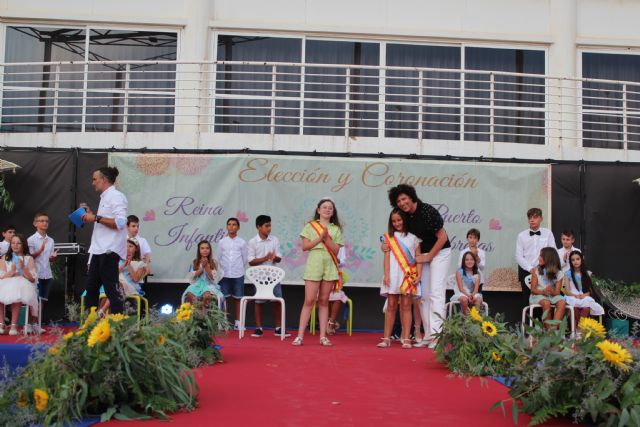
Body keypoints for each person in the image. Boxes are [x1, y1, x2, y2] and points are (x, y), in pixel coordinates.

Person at [386, 184, 451, 348]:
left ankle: (438, 337)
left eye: (403, 198)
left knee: (436, 293)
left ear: (411, 196)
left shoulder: (426, 210)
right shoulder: (406, 216)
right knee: (422, 296)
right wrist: (385, 246)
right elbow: (397, 235)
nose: (401, 203)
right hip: (423, 256)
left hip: (440, 253)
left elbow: (443, 237)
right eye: (398, 201)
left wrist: (429, 256)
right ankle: (429, 335)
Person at [293, 197, 344, 346]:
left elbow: (336, 250)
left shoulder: (335, 229)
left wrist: (327, 239)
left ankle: (323, 336)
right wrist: (320, 238)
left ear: (333, 211)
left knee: (323, 301)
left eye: (330, 208)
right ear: (318, 210)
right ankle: (300, 336)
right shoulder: (310, 226)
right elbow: (305, 246)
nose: (327, 210)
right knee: (309, 300)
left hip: (329, 264)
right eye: (325, 207)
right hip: (314, 263)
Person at [81, 166, 128, 314]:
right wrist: (91, 215)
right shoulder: (105, 197)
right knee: (91, 290)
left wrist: (95, 217)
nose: (93, 183)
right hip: (98, 250)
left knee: (111, 291)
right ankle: (90, 324)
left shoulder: (116, 196)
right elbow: (104, 223)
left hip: (109, 251)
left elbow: (120, 223)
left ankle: (118, 325)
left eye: (95, 179)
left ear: (104, 180)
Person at [378, 208, 422, 349]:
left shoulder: (413, 238)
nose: (397, 223)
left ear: (405, 219)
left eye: (399, 220)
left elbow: (418, 258)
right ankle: (386, 338)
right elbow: (386, 257)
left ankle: (406, 338)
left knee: (406, 306)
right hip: (393, 275)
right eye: (394, 221)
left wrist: (419, 275)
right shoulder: (388, 237)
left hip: (407, 276)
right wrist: (386, 274)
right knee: (391, 305)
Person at [247, 215, 288, 337]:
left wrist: (274, 257)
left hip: (274, 276)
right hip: (259, 277)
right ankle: (259, 328)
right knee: (259, 302)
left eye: (270, 225)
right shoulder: (252, 242)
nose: (269, 228)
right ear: (258, 227)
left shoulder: (274, 240)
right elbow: (250, 261)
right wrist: (265, 258)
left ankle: (278, 328)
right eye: (266, 226)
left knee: (277, 301)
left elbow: (279, 258)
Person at [96, 238, 147, 316]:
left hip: (130, 287)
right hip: (116, 284)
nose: (128, 249)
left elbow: (136, 279)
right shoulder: (117, 260)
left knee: (116, 286)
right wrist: (123, 265)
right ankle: (101, 315)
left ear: (136, 249)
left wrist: (129, 265)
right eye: (125, 246)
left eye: (130, 246)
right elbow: (113, 274)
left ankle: (102, 311)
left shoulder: (140, 263)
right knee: (111, 285)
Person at [0, 234, 39, 335]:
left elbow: (32, 279)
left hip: (22, 285)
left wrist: (23, 269)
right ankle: (1, 324)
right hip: (6, 283)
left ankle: (14, 325)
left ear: (23, 245)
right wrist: (12, 272)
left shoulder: (28, 258)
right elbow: (2, 276)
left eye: (18, 243)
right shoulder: (5, 257)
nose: (15, 245)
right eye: (13, 243)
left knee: (17, 292)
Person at [515, 208, 555, 304]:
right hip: (526, 271)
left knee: (545, 298)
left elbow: (553, 252)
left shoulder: (548, 233)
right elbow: (518, 256)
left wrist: (543, 267)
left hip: (544, 271)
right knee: (527, 299)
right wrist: (530, 268)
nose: (532, 220)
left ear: (541, 218)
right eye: (530, 217)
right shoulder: (521, 235)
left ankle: (543, 319)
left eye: (535, 217)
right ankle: (527, 319)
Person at [27, 212, 57, 333]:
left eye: (46, 221)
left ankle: (36, 324)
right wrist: (41, 249)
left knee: (42, 300)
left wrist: (53, 258)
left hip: (47, 273)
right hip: (35, 274)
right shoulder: (31, 239)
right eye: (42, 221)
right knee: (33, 300)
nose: (45, 223)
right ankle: (28, 324)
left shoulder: (51, 240)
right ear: (35, 223)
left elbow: (50, 258)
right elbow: (29, 257)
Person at [217, 218, 248, 330]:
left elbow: (245, 259)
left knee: (238, 298)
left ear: (238, 227)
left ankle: (238, 323)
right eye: (229, 224)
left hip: (238, 274)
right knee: (223, 298)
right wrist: (221, 271)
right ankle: (224, 321)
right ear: (227, 227)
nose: (231, 227)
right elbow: (218, 258)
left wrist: (237, 268)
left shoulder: (242, 242)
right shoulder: (222, 242)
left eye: (234, 224)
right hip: (224, 274)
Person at [564, 250, 604, 328]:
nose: (575, 261)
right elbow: (567, 291)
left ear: (582, 259)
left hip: (584, 297)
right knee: (574, 308)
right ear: (570, 262)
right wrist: (575, 296)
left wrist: (584, 295)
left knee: (586, 308)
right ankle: (574, 331)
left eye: (578, 259)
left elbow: (590, 291)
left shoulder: (588, 273)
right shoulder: (567, 274)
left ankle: (580, 331)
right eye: (573, 260)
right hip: (572, 297)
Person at [529, 247, 566, 330]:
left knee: (562, 302)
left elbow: (557, 292)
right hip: (538, 295)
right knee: (546, 303)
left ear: (548, 258)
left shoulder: (559, 273)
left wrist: (552, 291)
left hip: (552, 295)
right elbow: (533, 290)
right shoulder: (536, 271)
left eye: (541, 256)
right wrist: (543, 292)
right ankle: (548, 332)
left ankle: (554, 330)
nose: (538, 258)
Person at [184, 240, 224, 309]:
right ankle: (199, 314)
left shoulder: (214, 262)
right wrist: (201, 268)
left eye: (207, 248)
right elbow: (192, 277)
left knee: (207, 296)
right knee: (190, 295)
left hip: (209, 285)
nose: (205, 250)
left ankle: (204, 315)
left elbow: (214, 279)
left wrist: (206, 267)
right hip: (197, 285)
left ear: (210, 250)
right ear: (199, 250)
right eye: (202, 248)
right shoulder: (195, 262)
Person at [450, 251, 483, 316]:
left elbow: (476, 289)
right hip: (461, 293)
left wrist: (472, 296)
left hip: (472, 293)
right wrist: (468, 296)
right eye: (467, 260)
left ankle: (474, 319)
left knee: (478, 299)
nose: (469, 261)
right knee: (465, 299)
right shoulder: (459, 272)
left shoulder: (477, 273)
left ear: (474, 261)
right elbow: (461, 288)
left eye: (471, 259)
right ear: (463, 261)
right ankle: (466, 319)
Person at [327, 246, 349, 335]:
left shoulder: (340, 246)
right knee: (324, 297)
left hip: (335, 277)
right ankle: (327, 321)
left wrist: (335, 259)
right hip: (322, 276)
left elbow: (342, 262)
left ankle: (331, 323)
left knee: (337, 297)